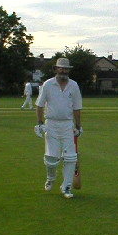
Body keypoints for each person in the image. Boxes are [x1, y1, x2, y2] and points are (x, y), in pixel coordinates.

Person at [34, 58, 83, 199]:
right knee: (52, 157)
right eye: (61, 68)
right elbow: (40, 105)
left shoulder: (74, 86)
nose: (64, 71)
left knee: (70, 158)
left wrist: (78, 126)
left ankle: (66, 187)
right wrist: (40, 123)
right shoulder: (48, 85)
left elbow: (77, 108)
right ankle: (51, 177)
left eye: (66, 69)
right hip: (52, 124)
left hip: (67, 125)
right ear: (55, 69)